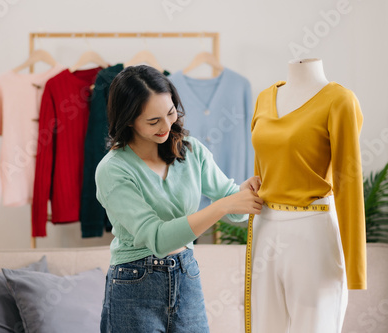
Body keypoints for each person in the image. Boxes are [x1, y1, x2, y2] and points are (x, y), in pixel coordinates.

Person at [95, 65, 263, 333]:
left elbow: (236, 211)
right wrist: (224, 205)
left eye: (170, 112)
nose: (167, 125)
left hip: (186, 276)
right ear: (128, 120)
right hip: (133, 285)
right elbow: (158, 239)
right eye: (153, 121)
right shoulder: (113, 170)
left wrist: (243, 193)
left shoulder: (191, 151)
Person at [249, 58, 367, 333]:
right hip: (264, 228)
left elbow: (349, 183)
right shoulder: (264, 98)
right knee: (264, 326)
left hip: (312, 230)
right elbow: (261, 170)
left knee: (314, 326)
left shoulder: (340, 100)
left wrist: (356, 268)